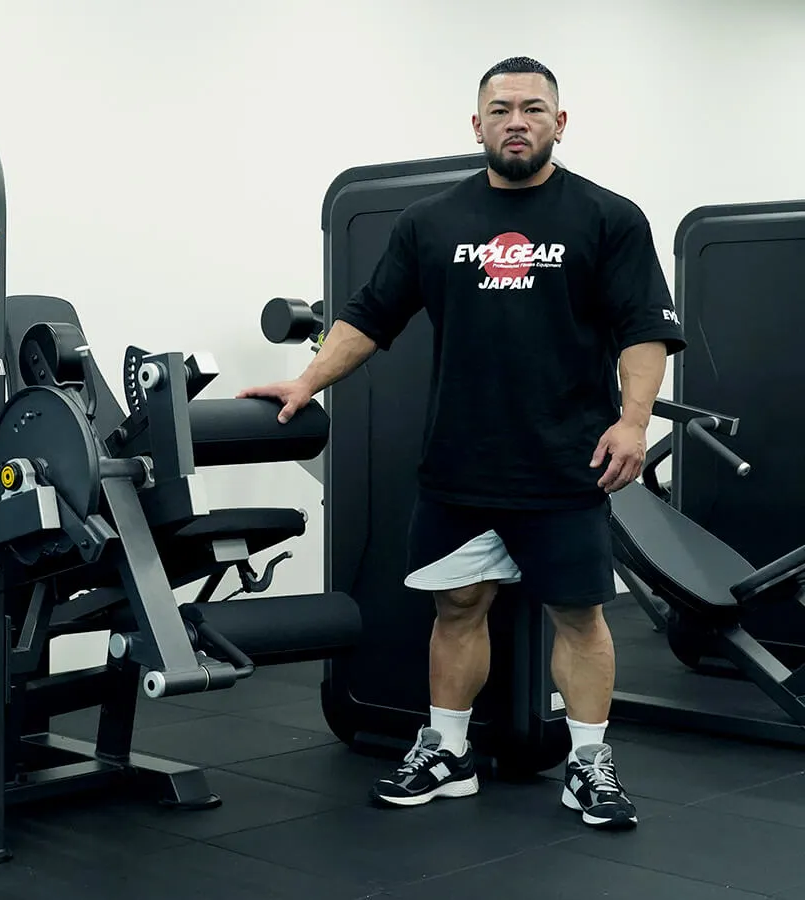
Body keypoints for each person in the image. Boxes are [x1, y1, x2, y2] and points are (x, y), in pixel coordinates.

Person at [238, 56, 687, 830]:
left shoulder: (608, 216)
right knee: (457, 608)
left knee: (579, 617)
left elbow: (644, 327)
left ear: (560, 123)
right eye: (502, 109)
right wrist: (308, 382)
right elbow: (370, 315)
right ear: (476, 124)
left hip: (567, 461)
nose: (518, 121)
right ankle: (448, 751)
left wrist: (635, 420)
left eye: (534, 109)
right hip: (461, 461)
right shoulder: (431, 221)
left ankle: (588, 763)